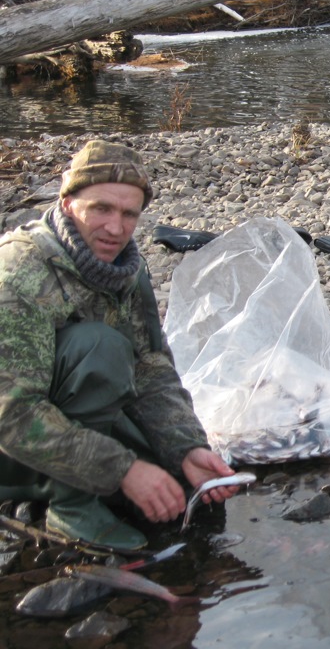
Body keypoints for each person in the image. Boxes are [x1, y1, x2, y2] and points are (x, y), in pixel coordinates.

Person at [0, 140, 239, 549]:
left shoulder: (126, 267)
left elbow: (150, 364)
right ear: (68, 201)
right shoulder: (20, 272)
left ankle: (89, 483)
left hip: (68, 413)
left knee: (181, 486)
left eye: (129, 214)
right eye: (101, 209)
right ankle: (69, 506)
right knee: (99, 347)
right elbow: (12, 413)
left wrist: (185, 446)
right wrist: (123, 470)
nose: (116, 228)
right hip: (12, 443)